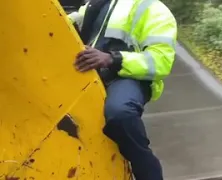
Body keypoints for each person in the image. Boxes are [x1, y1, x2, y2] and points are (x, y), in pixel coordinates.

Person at [68, 0, 177, 179]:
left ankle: (147, 172)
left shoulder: (155, 10)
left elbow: (161, 61)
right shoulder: (96, 5)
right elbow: (61, 23)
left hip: (129, 77)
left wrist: (113, 59)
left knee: (120, 112)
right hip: (89, 71)